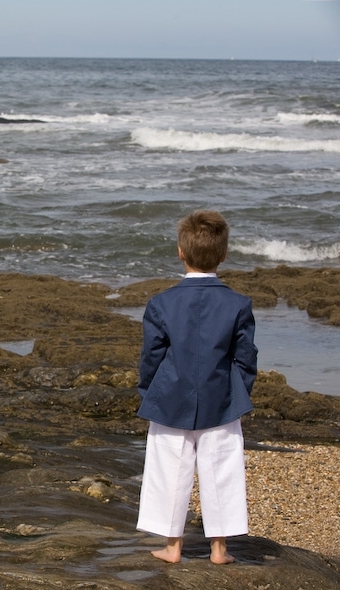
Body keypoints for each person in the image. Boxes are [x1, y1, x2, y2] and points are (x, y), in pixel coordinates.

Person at [136, 209, 258, 565]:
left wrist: (149, 392)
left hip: (170, 397)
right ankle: (219, 549)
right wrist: (239, 392)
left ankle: (173, 546)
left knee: (168, 470)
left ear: (181, 252)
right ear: (223, 255)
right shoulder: (238, 303)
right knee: (222, 469)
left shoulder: (161, 303)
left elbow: (151, 357)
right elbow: (246, 358)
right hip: (221, 397)